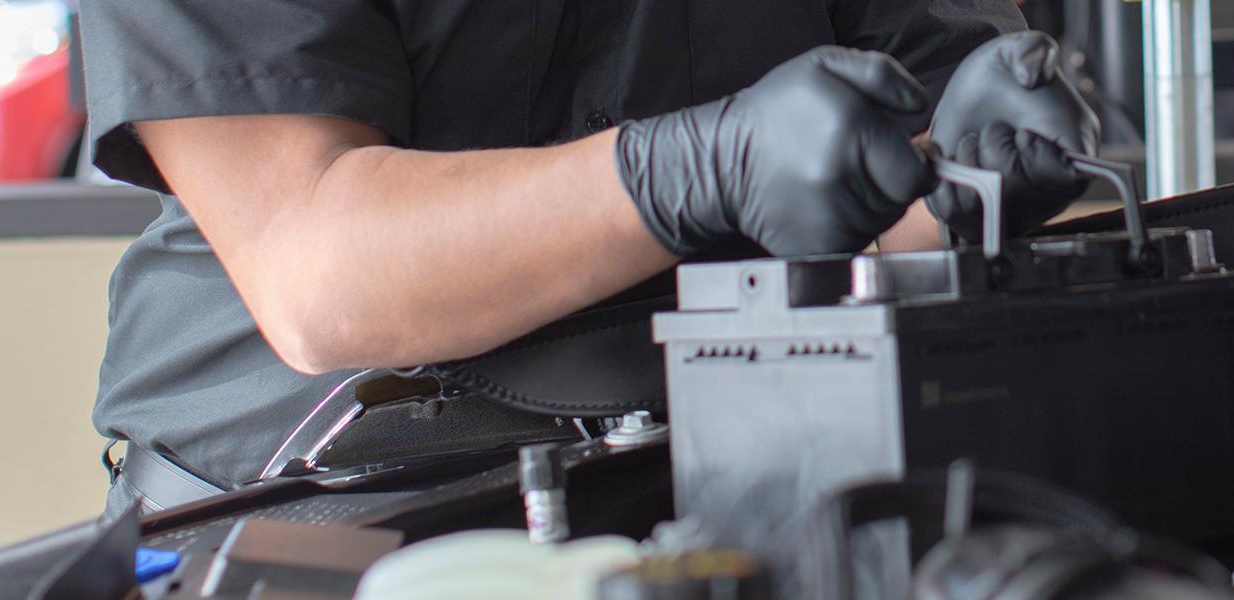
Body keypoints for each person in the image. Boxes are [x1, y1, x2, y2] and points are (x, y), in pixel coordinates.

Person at [79, 0, 1101, 511]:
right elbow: (318, 270)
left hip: (725, 474)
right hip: (334, 491)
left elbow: (879, 185)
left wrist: (969, 187)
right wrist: (685, 170)